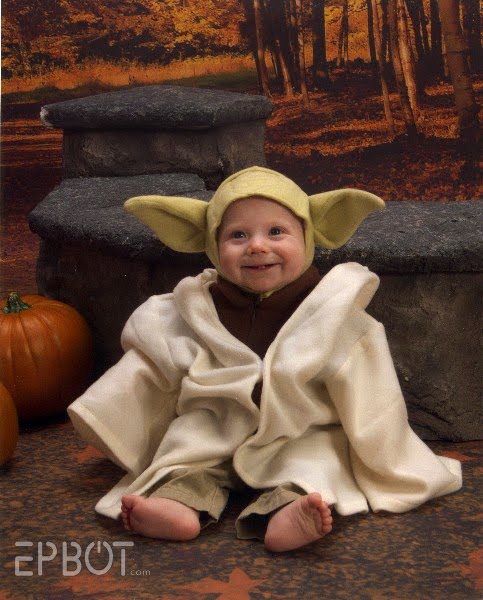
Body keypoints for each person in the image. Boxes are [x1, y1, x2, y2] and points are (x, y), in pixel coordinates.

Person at [68, 166, 462, 553]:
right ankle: (177, 505)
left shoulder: (332, 313)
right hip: (213, 427)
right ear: (211, 245)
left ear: (308, 236)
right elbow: (151, 365)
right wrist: (107, 406)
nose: (257, 246)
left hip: (298, 433)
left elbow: (369, 384)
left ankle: (287, 512)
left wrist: (387, 451)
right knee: (184, 463)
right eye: (238, 235)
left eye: (276, 231)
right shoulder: (192, 311)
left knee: (313, 467)